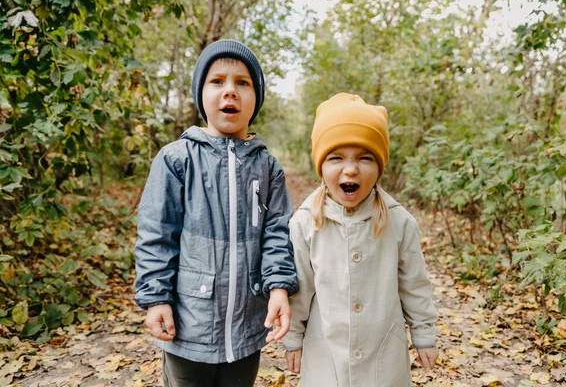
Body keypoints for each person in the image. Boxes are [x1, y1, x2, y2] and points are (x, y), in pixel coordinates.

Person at [134, 39, 298, 387]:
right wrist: (156, 297)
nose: (230, 92)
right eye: (217, 81)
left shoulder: (268, 168)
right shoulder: (177, 159)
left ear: (256, 98)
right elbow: (156, 235)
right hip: (189, 326)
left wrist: (279, 288)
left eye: (243, 83)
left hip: (247, 327)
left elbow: (277, 234)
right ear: (201, 94)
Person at [282, 93, 438, 387]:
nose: (350, 169)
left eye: (365, 158)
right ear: (321, 166)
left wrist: (424, 334)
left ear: (379, 167)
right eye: (336, 158)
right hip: (325, 355)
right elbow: (299, 287)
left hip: (384, 358)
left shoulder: (399, 222)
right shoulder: (305, 223)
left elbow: (414, 284)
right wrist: (293, 336)